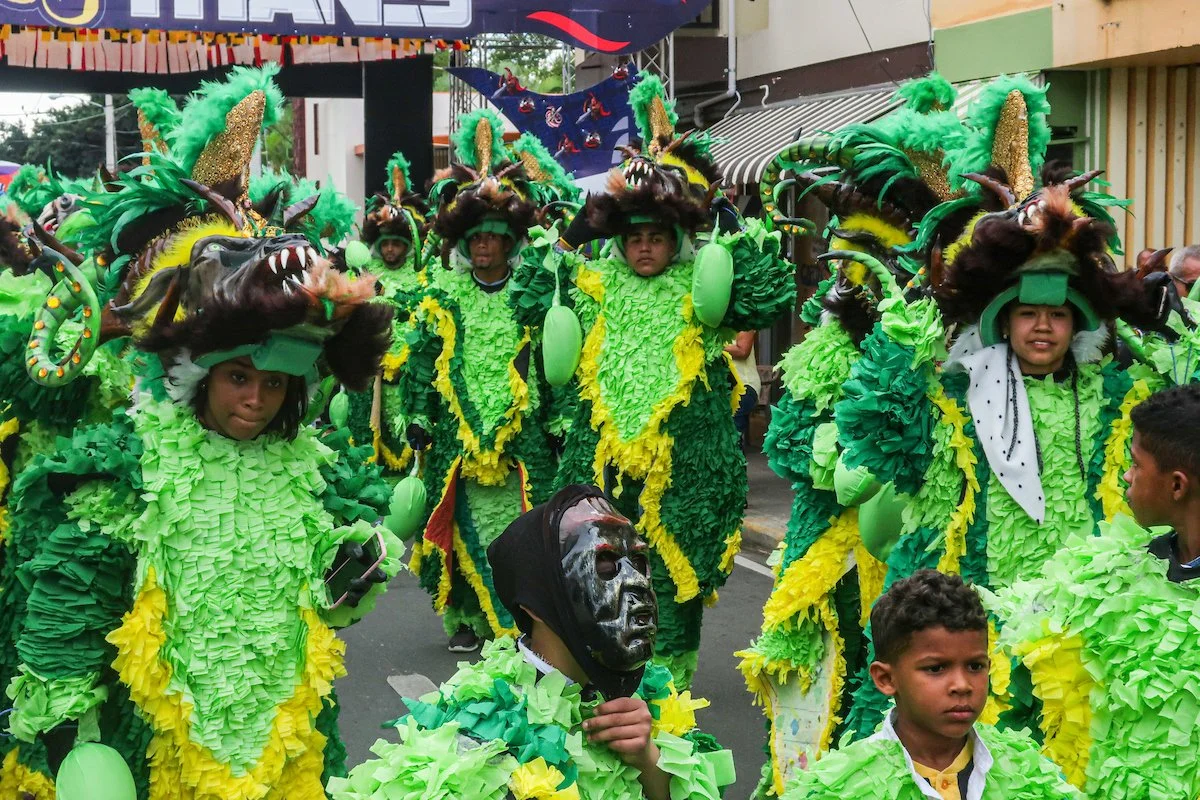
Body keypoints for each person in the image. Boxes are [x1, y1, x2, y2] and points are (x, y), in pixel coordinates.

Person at [0, 66, 405, 800]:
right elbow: (69, 606)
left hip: (284, 733)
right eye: (238, 378)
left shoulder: (313, 468)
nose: (254, 400)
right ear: (198, 374)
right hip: (155, 745)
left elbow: (327, 596)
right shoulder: (128, 467)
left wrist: (352, 566)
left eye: (273, 383)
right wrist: (72, 734)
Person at [834, 77, 1171, 738]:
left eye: (1057, 315)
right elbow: (878, 428)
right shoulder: (952, 393)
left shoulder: (1113, 397)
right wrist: (923, 327)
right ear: (1000, 321)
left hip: (1077, 620)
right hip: (966, 624)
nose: (1042, 328)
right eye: (1026, 314)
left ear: (1078, 325)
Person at [511, 75, 795, 689]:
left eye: (658, 236)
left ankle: (667, 704)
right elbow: (530, 296)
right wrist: (573, 233)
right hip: (602, 473)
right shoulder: (591, 287)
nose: (645, 247)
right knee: (592, 584)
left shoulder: (703, 293)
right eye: (634, 236)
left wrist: (725, 219)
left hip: (686, 475)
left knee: (670, 590)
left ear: (677, 240)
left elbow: (772, 288)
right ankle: (601, 699)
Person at [327, 484, 734, 800]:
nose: (637, 585)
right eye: (606, 565)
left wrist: (648, 760)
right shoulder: (474, 729)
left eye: (639, 562)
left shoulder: (653, 695)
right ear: (539, 602)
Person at [993, 383, 1200, 798]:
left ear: (1176, 485)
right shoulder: (1111, 572)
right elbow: (1013, 625)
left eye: (1136, 465)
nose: (1126, 475)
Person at [401, 109, 558, 653]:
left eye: (495, 237)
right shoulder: (442, 295)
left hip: (523, 437)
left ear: (512, 241)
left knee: (523, 528)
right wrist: (418, 415)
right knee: (457, 526)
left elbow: (554, 361)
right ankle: (466, 617)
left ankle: (521, 620)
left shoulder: (536, 294)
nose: (485, 247)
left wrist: (558, 416)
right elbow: (423, 362)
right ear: (463, 243)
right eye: (476, 238)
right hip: (457, 437)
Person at [783, 570, 1081, 800]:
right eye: (936, 668)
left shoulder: (1028, 772)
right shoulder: (839, 786)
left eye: (975, 666)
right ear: (886, 679)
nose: (962, 685)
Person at [343, 151, 430, 475]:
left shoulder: (424, 276)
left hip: (409, 383)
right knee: (368, 448)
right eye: (386, 243)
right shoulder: (364, 275)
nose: (391, 249)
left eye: (397, 243)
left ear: (408, 245)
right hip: (371, 380)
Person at [725, 330, 759, 449]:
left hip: (744, 386)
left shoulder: (744, 321)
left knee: (731, 439)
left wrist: (713, 345)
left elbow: (743, 350)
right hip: (723, 390)